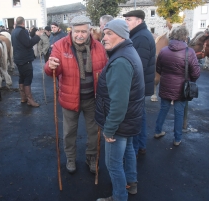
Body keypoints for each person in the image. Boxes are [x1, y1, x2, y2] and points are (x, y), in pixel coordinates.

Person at [44, 15, 107, 174]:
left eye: (84, 31)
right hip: (69, 99)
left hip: (93, 99)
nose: (80, 35)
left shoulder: (99, 47)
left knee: (94, 132)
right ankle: (70, 158)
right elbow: (51, 70)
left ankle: (91, 157)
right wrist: (50, 66)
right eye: (77, 31)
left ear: (90, 31)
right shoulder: (60, 45)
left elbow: (107, 72)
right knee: (69, 132)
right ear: (71, 31)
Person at [95, 19, 144, 201]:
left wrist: (109, 128)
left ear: (121, 35)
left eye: (109, 34)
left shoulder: (121, 60)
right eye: (104, 33)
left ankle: (119, 196)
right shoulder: (128, 51)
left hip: (120, 122)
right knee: (129, 149)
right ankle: (131, 184)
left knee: (113, 163)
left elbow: (119, 102)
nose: (104, 38)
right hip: (130, 118)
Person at [154, 25, 200, 146]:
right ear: (185, 36)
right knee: (179, 112)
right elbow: (196, 72)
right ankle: (177, 139)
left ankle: (157, 131)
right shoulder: (189, 52)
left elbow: (158, 68)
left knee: (163, 109)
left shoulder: (163, 51)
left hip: (165, 84)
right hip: (182, 88)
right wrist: (191, 80)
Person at [123, 10, 156, 157]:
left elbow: (138, 66)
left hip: (137, 85)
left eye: (129, 19)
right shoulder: (139, 34)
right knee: (140, 115)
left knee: (136, 118)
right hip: (141, 84)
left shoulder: (141, 37)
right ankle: (141, 146)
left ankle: (135, 150)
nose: (126, 22)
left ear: (139, 21)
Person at [11, 16, 41, 107]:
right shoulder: (22, 31)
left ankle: (23, 97)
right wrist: (37, 36)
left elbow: (23, 41)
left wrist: (33, 35)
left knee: (22, 77)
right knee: (28, 78)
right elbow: (28, 44)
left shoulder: (14, 31)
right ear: (23, 23)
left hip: (18, 58)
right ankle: (30, 100)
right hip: (25, 59)